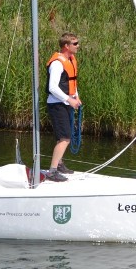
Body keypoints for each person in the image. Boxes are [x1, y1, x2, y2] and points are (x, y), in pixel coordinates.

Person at [45, 32, 82, 182]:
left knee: (63, 136)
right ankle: (52, 171)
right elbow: (53, 87)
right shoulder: (57, 63)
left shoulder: (71, 59)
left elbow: (71, 81)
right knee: (65, 138)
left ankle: (59, 164)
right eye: (75, 44)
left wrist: (76, 97)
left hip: (67, 102)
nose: (78, 46)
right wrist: (69, 99)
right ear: (66, 46)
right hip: (57, 104)